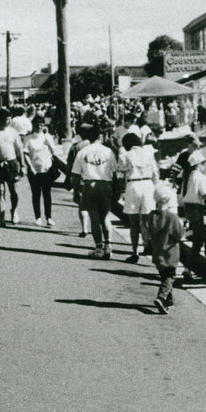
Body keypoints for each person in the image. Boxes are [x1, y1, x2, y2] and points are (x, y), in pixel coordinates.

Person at [71, 124, 119, 259]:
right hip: (106, 184)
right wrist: (117, 189)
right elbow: (115, 173)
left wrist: (75, 191)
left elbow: (75, 174)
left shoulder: (82, 152)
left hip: (89, 184)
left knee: (94, 217)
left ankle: (98, 247)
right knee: (105, 216)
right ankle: (109, 245)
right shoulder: (109, 151)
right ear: (100, 136)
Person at [117, 132, 159, 263]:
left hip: (133, 184)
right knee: (149, 220)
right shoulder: (148, 153)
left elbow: (120, 171)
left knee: (133, 222)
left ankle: (134, 252)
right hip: (148, 184)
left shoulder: (126, 154)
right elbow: (155, 173)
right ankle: (151, 247)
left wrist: (121, 191)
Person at [146, 183, 185, 314]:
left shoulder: (151, 216)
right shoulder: (171, 217)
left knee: (164, 276)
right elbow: (178, 234)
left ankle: (170, 300)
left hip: (157, 251)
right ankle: (161, 297)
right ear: (169, 199)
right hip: (170, 252)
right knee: (170, 276)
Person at [182, 149, 206, 273]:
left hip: (188, 208)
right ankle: (189, 267)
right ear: (198, 164)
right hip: (197, 209)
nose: (204, 166)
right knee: (198, 240)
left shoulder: (188, 176)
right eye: (203, 163)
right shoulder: (201, 177)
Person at [23, 119, 59, 227]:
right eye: (37, 125)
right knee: (36, 193)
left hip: (46, 168)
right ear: (33, 125)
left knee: (47, 194)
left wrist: (49, 144)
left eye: (41, 125)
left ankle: (49, 217)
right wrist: (30, 167)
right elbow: (25, 154)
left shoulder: (47, 137)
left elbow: (54, 151)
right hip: (34, 169)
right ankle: (38, 217)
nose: (39, 127)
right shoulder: (28, 138)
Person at [65, 126, 92, 238]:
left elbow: (69, 164)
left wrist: (68, 178)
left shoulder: (75, 147)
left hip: (81, 178)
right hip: (97, 178)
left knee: (82, 205)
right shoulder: (96, 146)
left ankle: (84, 229)